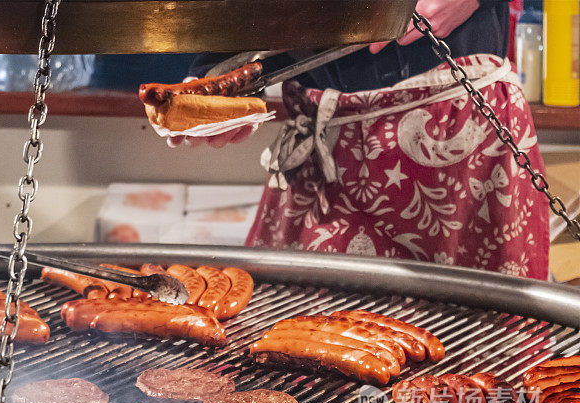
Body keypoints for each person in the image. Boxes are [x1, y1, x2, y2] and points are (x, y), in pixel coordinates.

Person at [175, 0, 549, 280]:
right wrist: (217, 74)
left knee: (480, 362)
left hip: (464, 135)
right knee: (310, 361)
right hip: (323, 159)